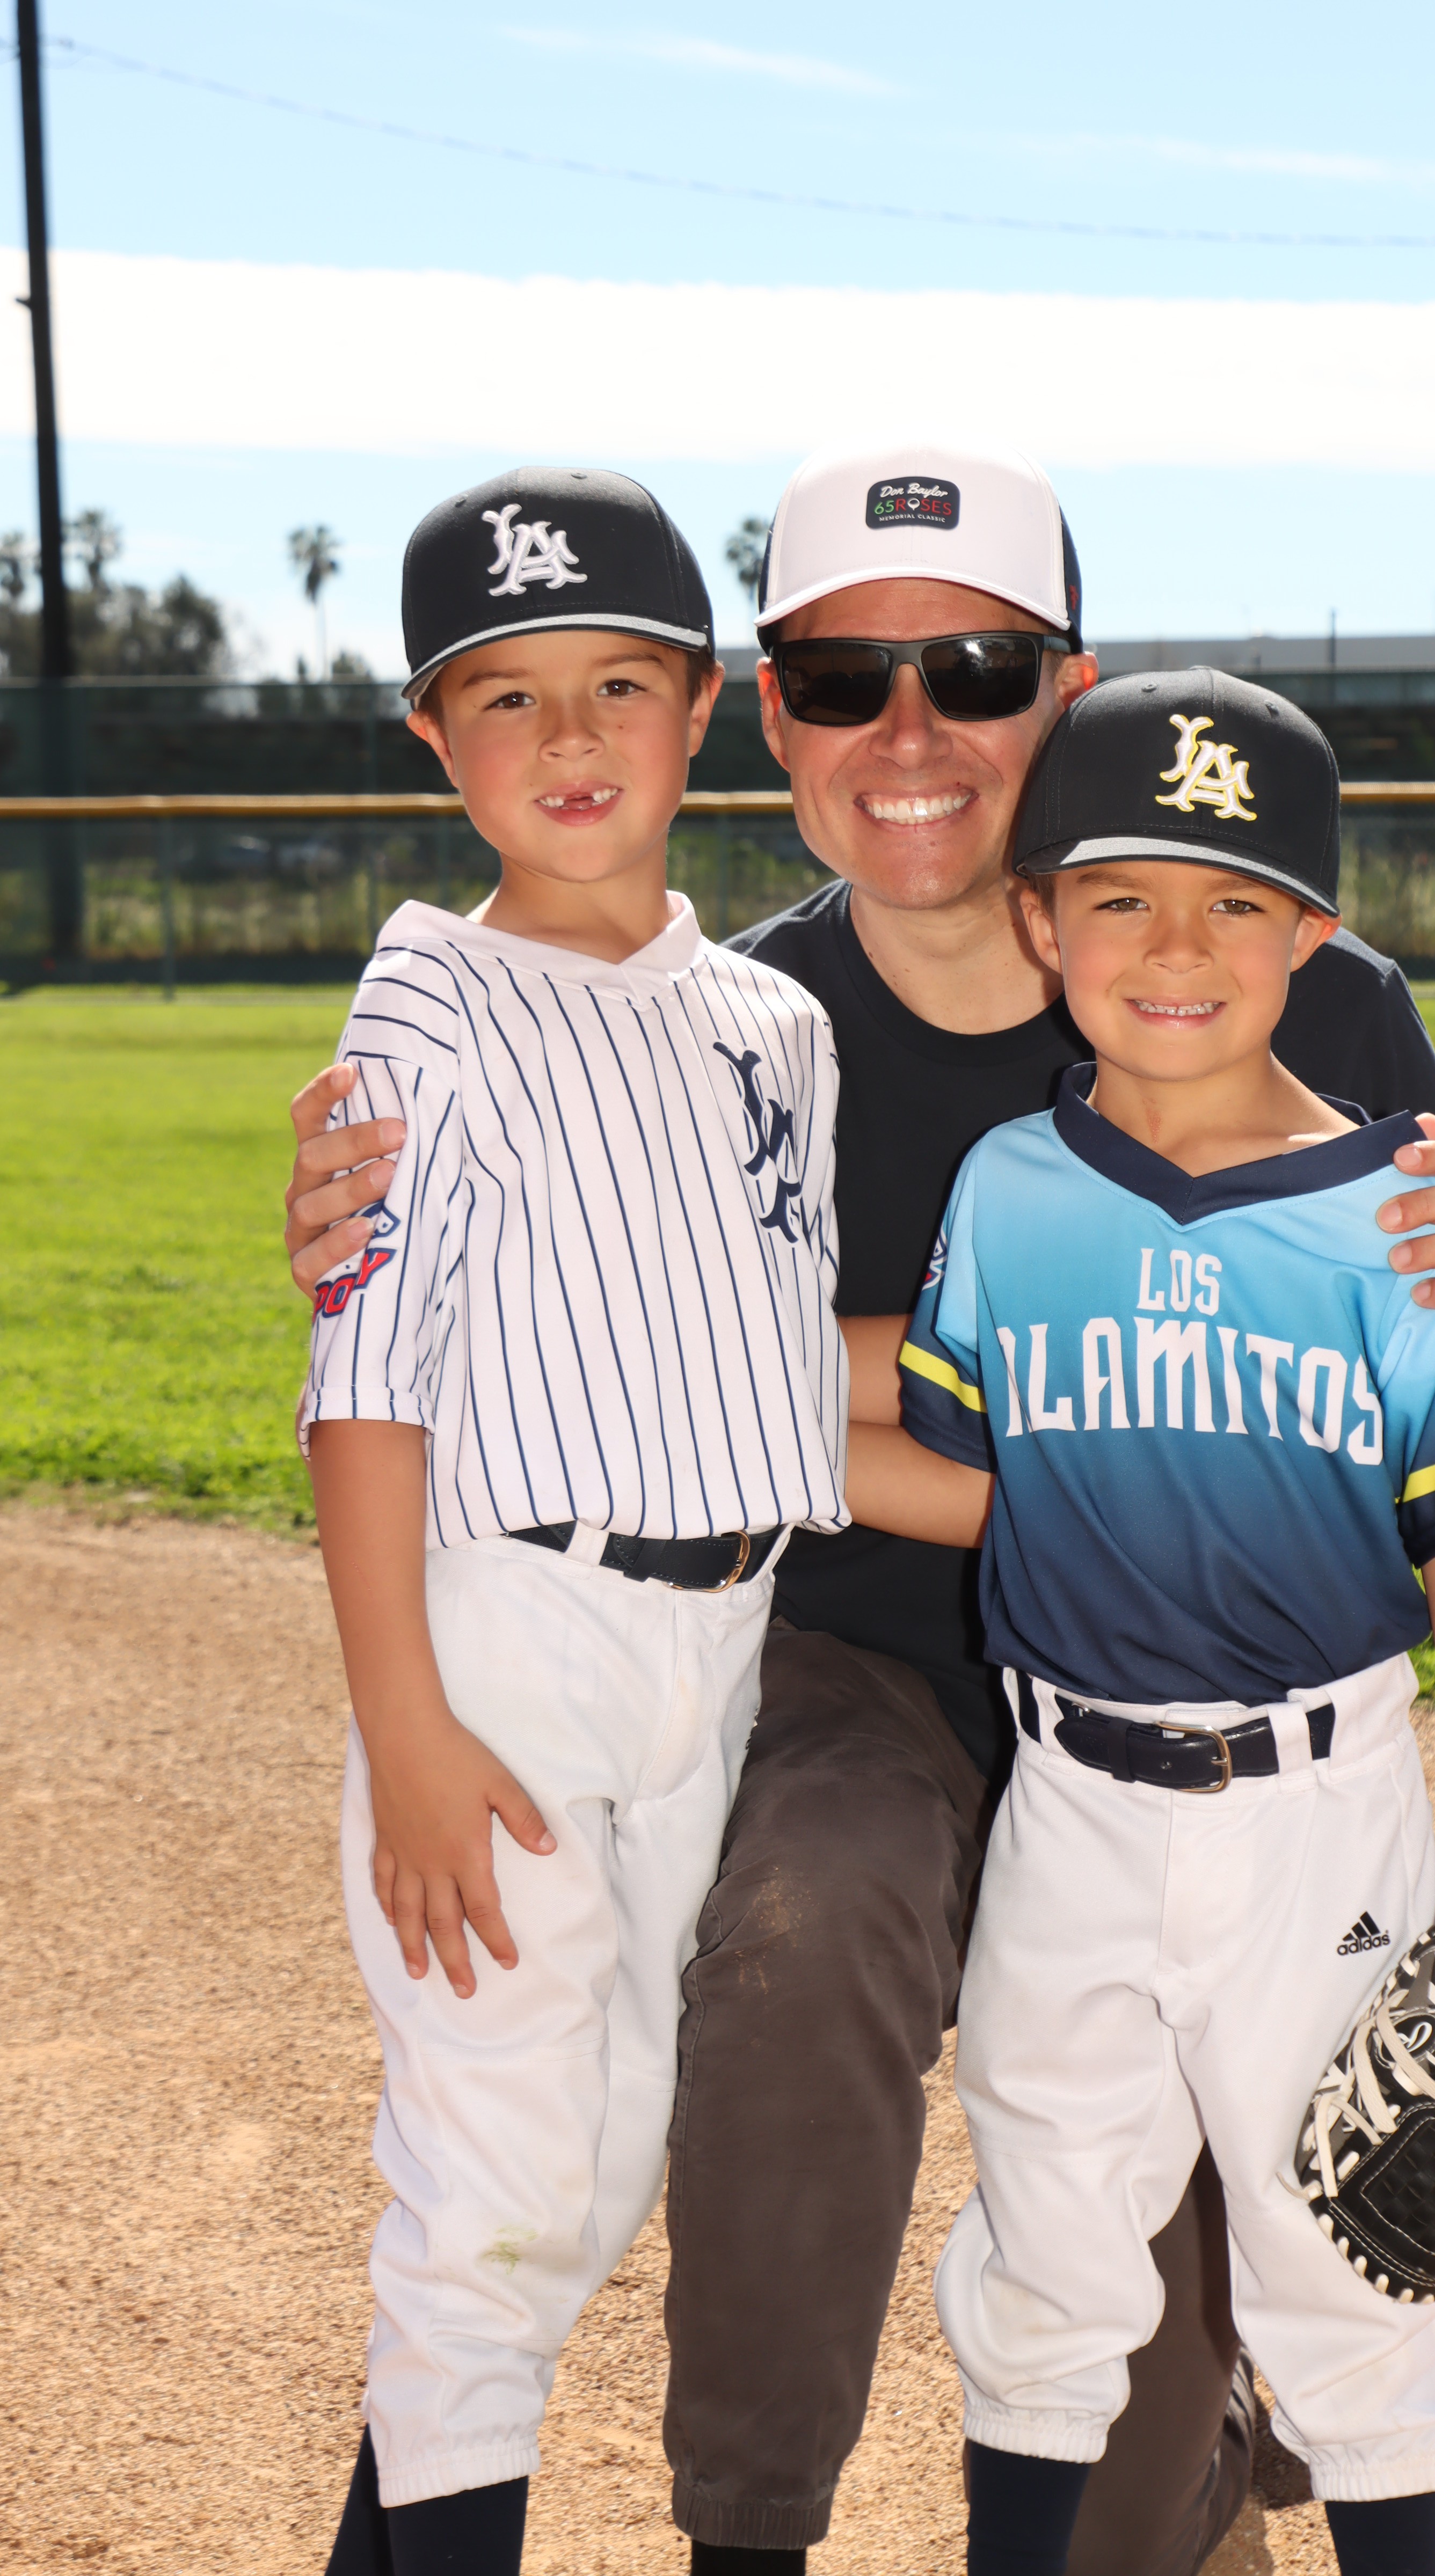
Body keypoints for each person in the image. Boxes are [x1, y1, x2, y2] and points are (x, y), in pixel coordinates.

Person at [283, 442, 1435, 2576]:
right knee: (791, 1937)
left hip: (1192, 1710)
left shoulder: (1294, 990)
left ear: (1067, 692)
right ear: (767, 714)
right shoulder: (740, 1025)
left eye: (972, 671)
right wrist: (398, 1223)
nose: (909, 735)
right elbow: (614, 1340)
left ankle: (1215, 2425)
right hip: (853, 1659)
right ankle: (744, 2532)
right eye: (839, 678)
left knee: (1129, 2462)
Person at [850, 665, 1435, 2576]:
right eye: (1122, 897)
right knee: (1046, 2243)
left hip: (1316, 1809)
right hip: (1071, 1801)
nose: (1177, 948)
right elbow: (989, 1478)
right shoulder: (1011, 1187)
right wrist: (723, 1441)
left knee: (1351, 2259)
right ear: (1039, 923)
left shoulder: (1410, 1215)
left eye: (1237, 901)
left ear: (1314, 935)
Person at [303, 469, 848, 2576]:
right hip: (508, 1645)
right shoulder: (428, 1002)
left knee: (593, 2171)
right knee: (500, 2196)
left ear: (701, 707)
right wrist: (408, 1732)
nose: (567, 737)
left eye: (616, 683)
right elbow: (366, 1389)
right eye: (503, 696)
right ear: (434, 740)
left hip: (713, 1656)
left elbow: (773, 1371)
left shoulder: (778, 1031)